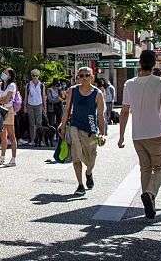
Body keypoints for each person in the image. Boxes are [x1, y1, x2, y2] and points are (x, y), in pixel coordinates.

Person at [118, 50, 161, 219]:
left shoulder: (129, 84)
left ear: (139, 63)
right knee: (160, 168)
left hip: (137, 135)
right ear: (154, 63)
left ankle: (150, 204)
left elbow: (124, 112)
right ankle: (149, 194)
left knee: (145, 168)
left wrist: (121, 136)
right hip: (156, 132)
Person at [58, 67, 106, 196]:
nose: (84, 78)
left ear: (92, 77)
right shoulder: (73, 91)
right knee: (76, 157)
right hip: (75, 128)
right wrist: (63, 125)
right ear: (77, 77)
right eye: (81, 75)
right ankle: (80, 184)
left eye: (87, 75)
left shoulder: (98, 94)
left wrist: (102, 133)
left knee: (91, 159)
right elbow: (67, 109)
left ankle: (89, 173)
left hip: (91, 131)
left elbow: (101, 115)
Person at [0, 68, 18, 166]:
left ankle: (13, 159)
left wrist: (0, 99)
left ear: (10, 75)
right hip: (0, 110)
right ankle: (2, 157)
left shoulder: (12, 85)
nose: (3, 74)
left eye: (6, 73)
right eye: (3, 72)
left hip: (8, 111)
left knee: (11, 135)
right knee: (2, 135)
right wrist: (1, 99)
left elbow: (7, 100)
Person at [24, 69, 47, 146]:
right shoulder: (28, 85)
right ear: (31, 76)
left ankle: (41, 140)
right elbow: (26, 96)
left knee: (39, 123)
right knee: (31, 123)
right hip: (30, 105)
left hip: (39, 104)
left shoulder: (41, 85)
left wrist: (45, 107)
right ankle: (33, 140)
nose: (35, 77)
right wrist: (25, 106)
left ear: (38, 76)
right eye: (33, 75)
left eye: (36, 76)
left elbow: (43, 96)